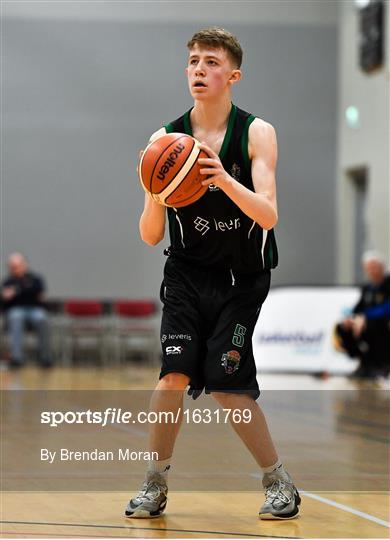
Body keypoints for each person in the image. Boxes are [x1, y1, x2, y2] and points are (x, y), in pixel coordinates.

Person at [125, 27, 300, 520]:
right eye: (193, 62)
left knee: (227, 386)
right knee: (171, 380)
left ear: (233, 75)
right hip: (185, 274)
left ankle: (278, 481)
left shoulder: (256, 132)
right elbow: (148, 234)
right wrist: (155, 193)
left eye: (211, 62)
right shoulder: (165, 140)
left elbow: (268, 215)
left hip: (242, 279)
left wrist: (222, 177)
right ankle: (154, 484)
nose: (199, 69)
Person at [334, 250, 390, 379]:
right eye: (369, 268)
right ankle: (364, 362)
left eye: (374, 267)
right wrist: (351, 319)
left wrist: (365, 317)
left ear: (382, 267)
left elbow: (386, 308)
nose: (372, 271)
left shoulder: (388, 284)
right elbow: (357, 309)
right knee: (343, 327)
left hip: (383, 325)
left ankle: (381, 364)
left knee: (373, 325)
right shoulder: (368, 289)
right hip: (367, 324)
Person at [1, 252, 52, 368]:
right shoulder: (7, 282)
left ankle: (45, 358)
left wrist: (17, 292)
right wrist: (24, 292)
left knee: (42, 318)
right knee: (15, 317)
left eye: (16, 266)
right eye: (12, 267)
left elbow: (39, 295)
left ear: (24, 265)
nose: (14, 269)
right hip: (15, 311)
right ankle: (16, 358)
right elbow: (5, 301)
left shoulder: (36, 278)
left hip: (34, 310)